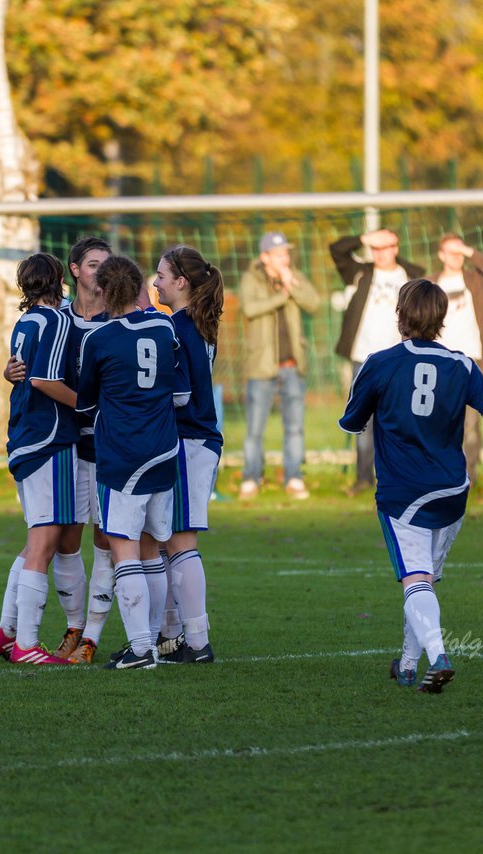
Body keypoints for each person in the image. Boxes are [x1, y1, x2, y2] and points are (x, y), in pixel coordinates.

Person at [338, 279, 483, 694]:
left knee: (416, 580)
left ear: (400, 315)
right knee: (423, 579)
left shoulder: (379, 362)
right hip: (452, 490)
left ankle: (438, 655)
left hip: (403, 492)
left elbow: (352, 422)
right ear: (441, 320)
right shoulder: (461, 364)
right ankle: (407, 665)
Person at [0, 236, 115, 664]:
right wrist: (10, 371)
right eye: (92, 263)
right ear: (73, 270)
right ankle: (72, 628)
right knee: (63, 541)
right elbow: (33, 371)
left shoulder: (117, 320)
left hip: (103, 445)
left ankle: (93, 637)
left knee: (109, 540)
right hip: (64, 444)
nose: (99, 272)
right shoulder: (57, 318)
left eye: (107, 264)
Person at [76, 255, 185, 670]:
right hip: (163, 449)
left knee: (124, 551)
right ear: (139, 285)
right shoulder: (163, 326)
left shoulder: (98, 339)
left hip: (123, 455)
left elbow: (85, 403)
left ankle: (141, 650)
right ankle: (153, 641)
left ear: (102, 290)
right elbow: (177, 389)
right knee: (153, 550)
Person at [0, 253, 82, 666]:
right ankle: (26, 644)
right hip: (50, 439)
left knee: (35, 542)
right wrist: (91, 405)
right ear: (60, 279)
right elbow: (45, 380)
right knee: (45, 543)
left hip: (24, 435)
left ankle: (6, 632)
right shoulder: (57, 320)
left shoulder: (25, 321)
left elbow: (24, 374)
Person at [152, 245, 224, 663]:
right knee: (168, 543)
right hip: (194, 441)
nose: (156, 281)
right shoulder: (190, 322)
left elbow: (180, 394)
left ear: (181, 282)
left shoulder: (177, 327)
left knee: (180, 542)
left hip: (190, 441)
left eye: (161, 275)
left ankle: (197, 642)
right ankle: (174, 636)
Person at [330, 228, 425, 495]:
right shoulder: (359, 272)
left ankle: (402, 477)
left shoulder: (412, 275)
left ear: (396, 247)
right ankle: (363, 479)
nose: (380, 253)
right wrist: (363, 238)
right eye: (376, 248)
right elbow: (336, 249)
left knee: (403, 420)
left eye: (386, 247)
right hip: (364, 359)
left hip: (401, 359)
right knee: (363, 421)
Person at [239, 231, 321, 500]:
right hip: (261, 366)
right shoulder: (252, 277)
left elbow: (314, 303)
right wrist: (282, 296)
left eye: (286, 252)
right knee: (255, 428)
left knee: (294, 426)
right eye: (279, 254)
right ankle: (251, 477)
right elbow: (250, 308)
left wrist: (291, 285)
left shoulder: (293, 275)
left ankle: (294, 477)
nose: (285, 257)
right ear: (265, 257)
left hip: (292, 364)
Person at [432, 234, 483, 483]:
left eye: (459, 252)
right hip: (440, 361)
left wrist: (470, 251)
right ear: (440, 255)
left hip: (471, 359)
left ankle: (468, 476)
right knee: (439, 421)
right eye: (450, 252)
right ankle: (441, 475)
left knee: (471, 422)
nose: (456, 257)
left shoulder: (475, 280)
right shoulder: (432, 284)